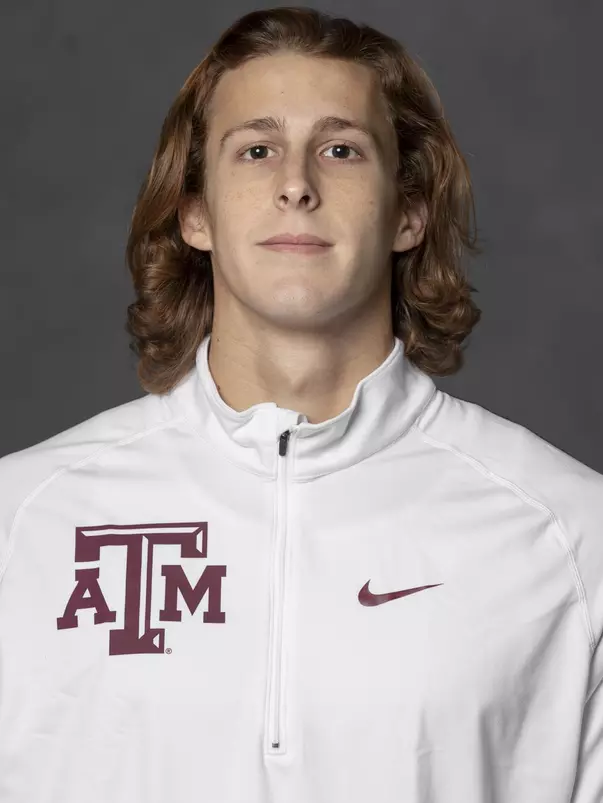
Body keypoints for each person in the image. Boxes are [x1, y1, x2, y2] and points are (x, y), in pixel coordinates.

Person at [0, 6, 601, 802]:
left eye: (340, 149)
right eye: (256, 150)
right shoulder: (23, 520)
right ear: (195, 214)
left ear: (408, 212)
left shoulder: (570, 535)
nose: (295, 184)